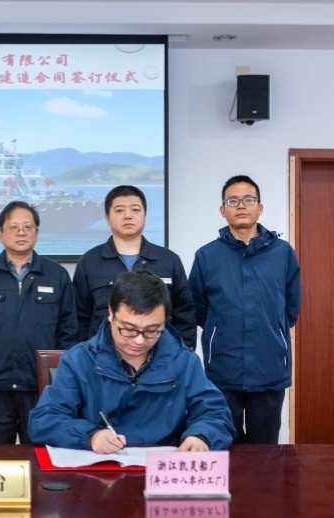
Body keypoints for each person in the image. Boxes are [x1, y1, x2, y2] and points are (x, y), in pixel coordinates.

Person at [28, 270, 235, 452]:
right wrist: (90, 436)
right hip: (99, 470)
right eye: (128, 329)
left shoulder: (184, 362)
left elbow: (216, 414)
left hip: (161, 470)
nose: (139, 340)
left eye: (152, 330)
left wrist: (201, 436)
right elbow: (45, 420)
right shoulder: (78, 360)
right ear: (111, 313)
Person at [189, 175, 301, 444]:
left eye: (248, 200)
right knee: (225, 445)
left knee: (265, 451)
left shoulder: (283, 253)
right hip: (223, 368)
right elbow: (198, 308)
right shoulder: (207, 255)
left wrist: (271, 328)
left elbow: (291, 307)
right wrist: (220, 329)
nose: (241, 205)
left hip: (269, 367)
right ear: (222, 210)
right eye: (233, 201)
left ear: (260, 208)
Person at [0, 201, 79, 444]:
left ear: (36, 233)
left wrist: (60, 377)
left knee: (41, 457)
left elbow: (68, 331)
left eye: (28, 227)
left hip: (42, 387)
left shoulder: (57, 275)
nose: (21, 233)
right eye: (13, 227)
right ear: (0, 233)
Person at [72, 185, 196, 349]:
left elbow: (185, 314)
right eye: (119, 210)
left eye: (135, 210)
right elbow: (79, 318)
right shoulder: (90, 261)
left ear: (144, 215)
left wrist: (181, 354)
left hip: (160, 355)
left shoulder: (168, 260)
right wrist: (86, 356)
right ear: (107, 218)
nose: (128, 216)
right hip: (102, 356)